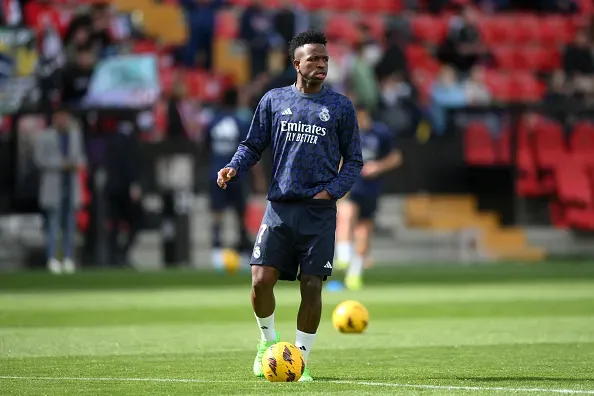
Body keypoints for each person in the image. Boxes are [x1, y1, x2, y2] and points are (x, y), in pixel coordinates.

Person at [216, 29, 363, 382]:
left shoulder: (340, 107)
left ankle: (300, 360)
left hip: (319, 212)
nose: (321, 64)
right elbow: (253, 145)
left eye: (325, 59)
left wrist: (332, 192)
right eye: (314, 58)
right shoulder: (273, 100)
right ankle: (268, 344)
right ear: (296, 63)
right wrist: (235, 165)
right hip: (280, 208)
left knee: (312, 285)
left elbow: (355, 161)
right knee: (259, 281)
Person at [334, 105, 402, 291]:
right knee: (346, 214)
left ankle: (354, 274)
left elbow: (395, 157)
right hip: (352, 185)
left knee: (364, 229)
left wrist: (378, 167)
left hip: (371, 188)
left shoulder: (381, 133)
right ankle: (344, 256)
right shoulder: (347, 133)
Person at [205, 87, 266, 267]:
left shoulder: (212, 122)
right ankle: (242, 250)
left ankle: (216, 252)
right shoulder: (241, 122)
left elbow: (205, 146)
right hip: (237, 174)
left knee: (217, 213)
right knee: (240, 213)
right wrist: (259, 177)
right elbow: (251, 151)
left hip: (216, 172)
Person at [34, 107, 86, 274]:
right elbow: (39, 159)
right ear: (55, 118)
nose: (63, 120)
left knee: (70, 225)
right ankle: (52, 258)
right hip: (53, 185)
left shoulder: (75, 135)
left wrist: (77, 164)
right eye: (60, 117)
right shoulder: (46, 136)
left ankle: (68, 258)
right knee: (53, 225)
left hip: (71, 184)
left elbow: (81, 157)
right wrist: (60, 164)